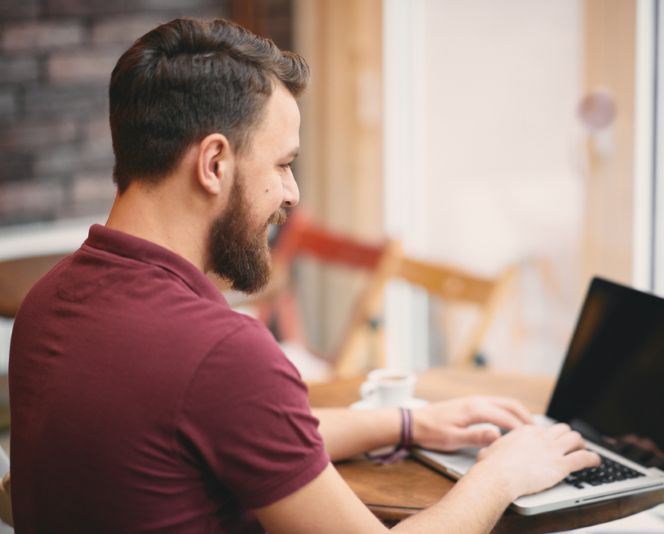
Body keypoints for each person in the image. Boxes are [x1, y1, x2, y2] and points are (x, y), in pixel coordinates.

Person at [8, 18, 599, 533]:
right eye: (283, 164)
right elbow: (229, 402)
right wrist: (501, 476)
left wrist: (408, 423)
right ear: (214, 163)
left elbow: (238, 428)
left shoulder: (47, 302)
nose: (292, 193)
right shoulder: (219, 352)